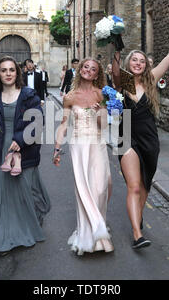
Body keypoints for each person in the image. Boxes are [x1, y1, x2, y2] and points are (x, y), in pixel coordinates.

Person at [112, 24, 169, 249]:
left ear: (146, 65)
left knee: (145, 185)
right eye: (134, 60)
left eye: (142, 61)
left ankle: (138, 217)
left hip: (149, 138)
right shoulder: (123, 82)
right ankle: (137, 234)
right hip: (126, 137)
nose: (138, 64)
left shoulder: (152, 79)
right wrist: (115, 43)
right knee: (133, 186)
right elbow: (114, 70)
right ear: (128, 63)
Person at [0, 56, 51, 256]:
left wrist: (20, 140)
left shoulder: (29, 95)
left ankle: (33, 217)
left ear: (17, 73)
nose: (8, 74)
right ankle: (4, 237)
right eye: (4, 70)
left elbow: (37, 122)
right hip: (0, 149)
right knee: (3, 194)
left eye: (12, 70)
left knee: (24, 192)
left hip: (24, 149)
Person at [53, 58, 114, 256]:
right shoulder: (70, 97)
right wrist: (57, 147)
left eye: (93, 69)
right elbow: (63, 124)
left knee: (101, 188)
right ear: (80, 70)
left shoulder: (101, 94)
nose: (89, 70)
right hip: (79, 146)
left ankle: (99, 225)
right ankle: (92, 234)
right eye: (86, 67)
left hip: (98, 144)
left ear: (97, 74)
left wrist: (100, 112)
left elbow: (104, 126)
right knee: (84, 189)